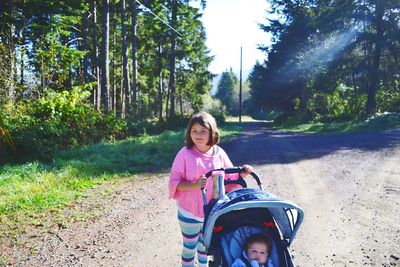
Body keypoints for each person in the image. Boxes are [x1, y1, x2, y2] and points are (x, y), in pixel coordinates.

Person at [169, 111, 253, 267]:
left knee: (205, 249)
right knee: (189, 249)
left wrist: (242, 173)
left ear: (212, 133)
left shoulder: (219, 153)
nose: (198, 134)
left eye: (203, 131)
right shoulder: (185, 154)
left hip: (212, 213)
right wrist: (194, 185)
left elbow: (230, 177)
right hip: (189, 212)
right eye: (194, 131)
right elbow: (175, 182)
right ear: (189, 133)